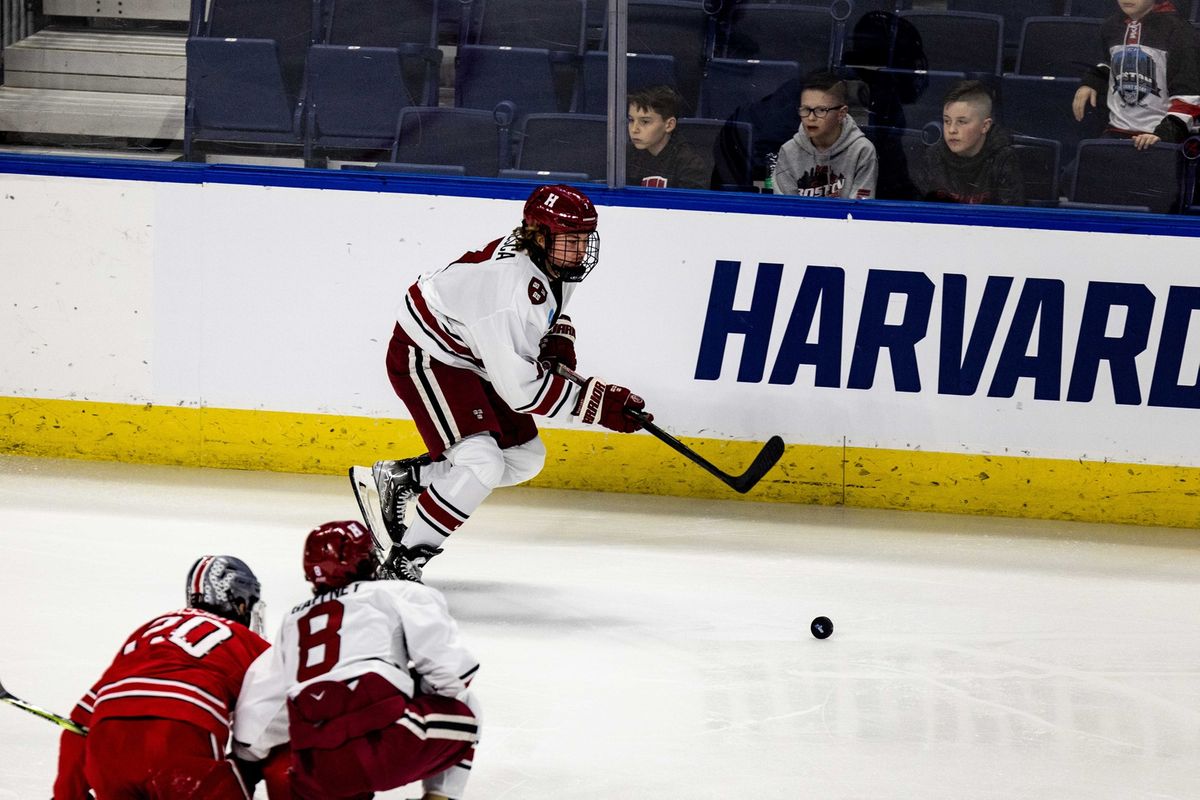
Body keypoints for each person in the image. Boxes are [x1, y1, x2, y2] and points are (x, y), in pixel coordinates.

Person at [349, 184, 650, 581]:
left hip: (473, 351)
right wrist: (597, 404)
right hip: (428, 353)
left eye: (584, 240)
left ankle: (407, 478)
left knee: (525, 457)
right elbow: (522, 391)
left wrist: (556, 337)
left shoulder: (552, 261)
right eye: (570, 241)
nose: (579, 251)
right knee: (482, 462)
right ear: (538, 235)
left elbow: (546, 311)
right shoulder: (509, 288)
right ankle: (403, 563)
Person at [232, 520, 481, 800]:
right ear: (369, 562)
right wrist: (408, 687)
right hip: (384, 747)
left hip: (315, 774)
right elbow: (455, 675)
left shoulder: (293, 621)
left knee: (308, 749)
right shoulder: (399, 593)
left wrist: (247, 764)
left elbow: (252, 730)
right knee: (466, 705)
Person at [53, 555, 289, 799]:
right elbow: (278, 707)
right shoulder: (246, 641)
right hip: (179, 739)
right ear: (239, 601)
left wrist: (66, 795)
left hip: (107, 747)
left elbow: (79, 724)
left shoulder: (149, 632)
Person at [1072, 0, 1200, 150]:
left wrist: (1164, 135)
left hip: (1163, 138)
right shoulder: (1111, 26)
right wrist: (1092, 81)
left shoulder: (1180, 31)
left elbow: (1189, 96)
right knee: (1072, 173)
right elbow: (1108, 62)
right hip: (1115, 131)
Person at [913, 80, 1025, 206]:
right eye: (947, 121)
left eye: (961, 122)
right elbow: (918, 212)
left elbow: (1010, 218)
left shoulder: (1003, 159)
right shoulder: (932, 157)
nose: (951, 130)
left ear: (985, 126)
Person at [771, 71, 878, 199]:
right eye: (805, 109)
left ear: (841, 113)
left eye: (821, 110)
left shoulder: (862, 151)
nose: (810, 118)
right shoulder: (788, 151)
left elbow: (860, 209)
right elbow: (785, 209)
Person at [626, 85, 710, 189]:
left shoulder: (689, 165)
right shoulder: (624, 156)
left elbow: (688, 204)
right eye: (631, 120)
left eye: (645, 122)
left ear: (669, 125)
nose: (634, 129)